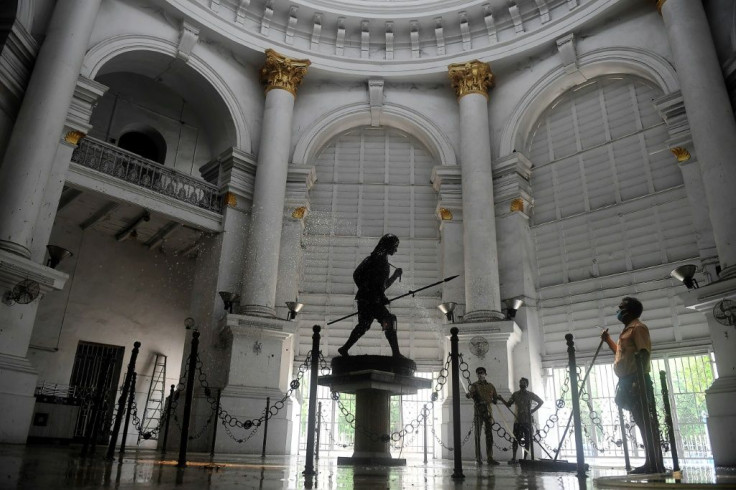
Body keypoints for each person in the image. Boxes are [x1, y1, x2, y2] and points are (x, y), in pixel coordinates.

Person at [601, 296, 663, 474]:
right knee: (641, 421)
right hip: (627, 381)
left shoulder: (638, 328)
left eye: (621, 308)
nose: (618, 310)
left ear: (629, 311)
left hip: (637, 380)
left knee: (646, 422)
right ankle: (651, 462)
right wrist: (608, 340)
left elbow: (643, 354)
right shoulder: (626, 331)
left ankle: (653, 463)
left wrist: (638, 381)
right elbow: (620, 354)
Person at [338, 234, 404, 357]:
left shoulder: (378, 261)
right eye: (395, 247)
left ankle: (344, 348)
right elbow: (358, 276)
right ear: (388, 245)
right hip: (370, 301)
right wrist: (369, 292)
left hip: (368, 300)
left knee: (364, 325)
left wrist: (394, 277)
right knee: (389, 319)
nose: (396, 250)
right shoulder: (374, 261)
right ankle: (396, 353)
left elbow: (381, 287)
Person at [466, 366, 501, 465]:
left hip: (488, 413)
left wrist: (496, 399)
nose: (480, 374)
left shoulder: (491, 386)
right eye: (478, 373)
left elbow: (495, 400)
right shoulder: (474, 385)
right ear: (477, 375)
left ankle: (490, 457)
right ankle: (478, 458)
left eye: (482, 372)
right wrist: (469, 395)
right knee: (477, 435)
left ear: (485, 374)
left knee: (489, 435)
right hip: (478, 413)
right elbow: (471, 394)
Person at [504, 377, 543, 463]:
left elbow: (541, 402)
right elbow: (508, 404)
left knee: (527, 440)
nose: (522, 384)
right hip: (518, 420)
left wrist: (532, 410)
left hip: (527, 421)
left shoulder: (530, 394)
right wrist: (501, 399)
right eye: (521, 382)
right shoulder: (515, 394)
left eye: (524, 383)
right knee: (515, 439)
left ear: (527, 384)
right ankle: (514, 458)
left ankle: (525, 459)